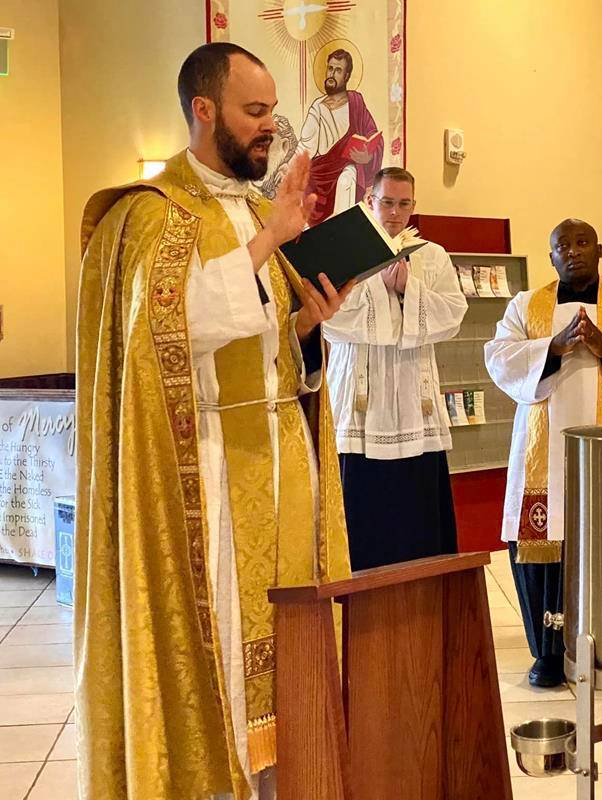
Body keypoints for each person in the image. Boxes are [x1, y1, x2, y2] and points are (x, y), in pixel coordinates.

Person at [76, 43, 354, 799]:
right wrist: (271, 240)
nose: (269, 128)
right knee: (226, 653)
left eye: (273, 112)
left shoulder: (261, 212)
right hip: (209, 475)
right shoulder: (149, 213)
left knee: (292, 663)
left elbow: (268, 353)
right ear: (204, 110)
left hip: (281, 463)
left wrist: (306, 327)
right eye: (254, 112)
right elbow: (170, 327)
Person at [485, 219, 602, 687]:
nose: (573, 251)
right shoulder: (524, 306)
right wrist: (552, 348)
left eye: (582, 242)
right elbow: (499, 357)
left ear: (599, 249)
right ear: (551, 257)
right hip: (544, 452)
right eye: (562, 246)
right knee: (542, 540)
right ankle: (547, 653)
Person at [323, 167, 468, 570]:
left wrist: (407, 289)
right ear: (370, 201)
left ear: (413, 206)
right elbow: (330, 319)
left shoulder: (431, 255)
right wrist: (382, 295)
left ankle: (421, 586)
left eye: (404, 204)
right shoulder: (348, 251)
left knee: (416, 519)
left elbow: (453, 315)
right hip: (359, 400)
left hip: (412, 399)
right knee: (359, 514)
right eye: (387, 202)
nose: (395, 212)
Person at [300, 48, 383, 225]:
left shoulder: (356, 103)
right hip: (321, 171)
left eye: (338, 70)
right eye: (330, 68)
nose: (332, 74)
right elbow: (306, 146)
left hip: (346, 167)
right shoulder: (318, 107)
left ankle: (342, 230)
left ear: (346, 76)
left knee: (347, 176)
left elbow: (373, 135)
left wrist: (367, 157)